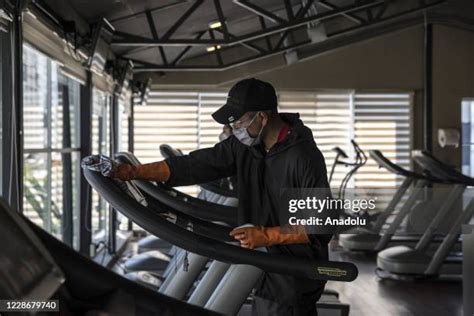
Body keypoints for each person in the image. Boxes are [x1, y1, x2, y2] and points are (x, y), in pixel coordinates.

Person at [109, 78, 332, 315]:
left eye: (239, 122)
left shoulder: (304, 157)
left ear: (262, 118)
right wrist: (133, 172)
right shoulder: (248, 146)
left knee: (277, 308)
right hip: (262, 257)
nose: (235, 128)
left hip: (292, 269)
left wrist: (266, 235)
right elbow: (197, 165)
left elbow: (320, 225)